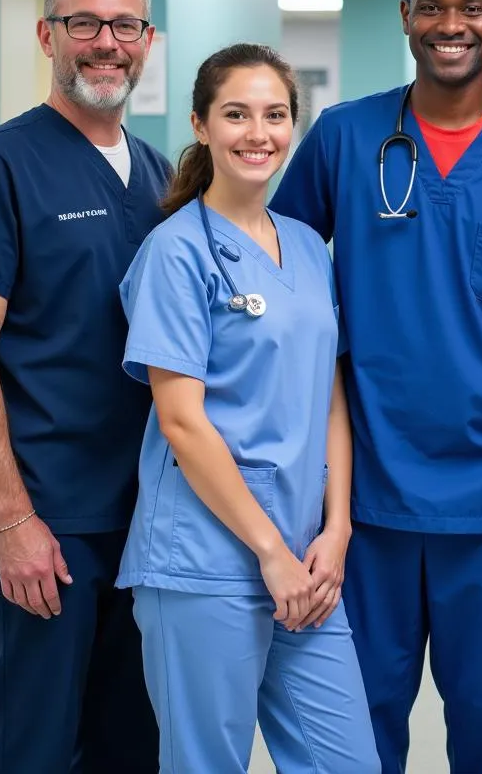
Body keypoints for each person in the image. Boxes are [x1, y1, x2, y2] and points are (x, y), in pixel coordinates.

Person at [270, 0, 482, 773]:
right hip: (368, 490)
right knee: (363, 719)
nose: (452, 24)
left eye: (471, 8)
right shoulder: (344, 137)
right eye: (433, 7)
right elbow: (289, 275)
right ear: (405, 16)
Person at [116, 43, 379, 773]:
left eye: (274, 115)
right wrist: (270, 552)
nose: (256, 133)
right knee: (207, 763)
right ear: (201, 125)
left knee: (347, 761)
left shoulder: (305, 244)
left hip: (307, 559)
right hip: (205, 561)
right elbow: (180, 420)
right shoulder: (177, 252)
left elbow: (328, 390)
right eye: (236, 114)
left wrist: (338, 526)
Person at [0, 0, 166, 773]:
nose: (105, 42)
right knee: (35, 745)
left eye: (124, 24)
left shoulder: (160, 175)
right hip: (48, 519)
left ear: (148, 40)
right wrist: (10, 518)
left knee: (131, 744)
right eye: (84, 23)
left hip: (148, 523)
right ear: (48, 33)